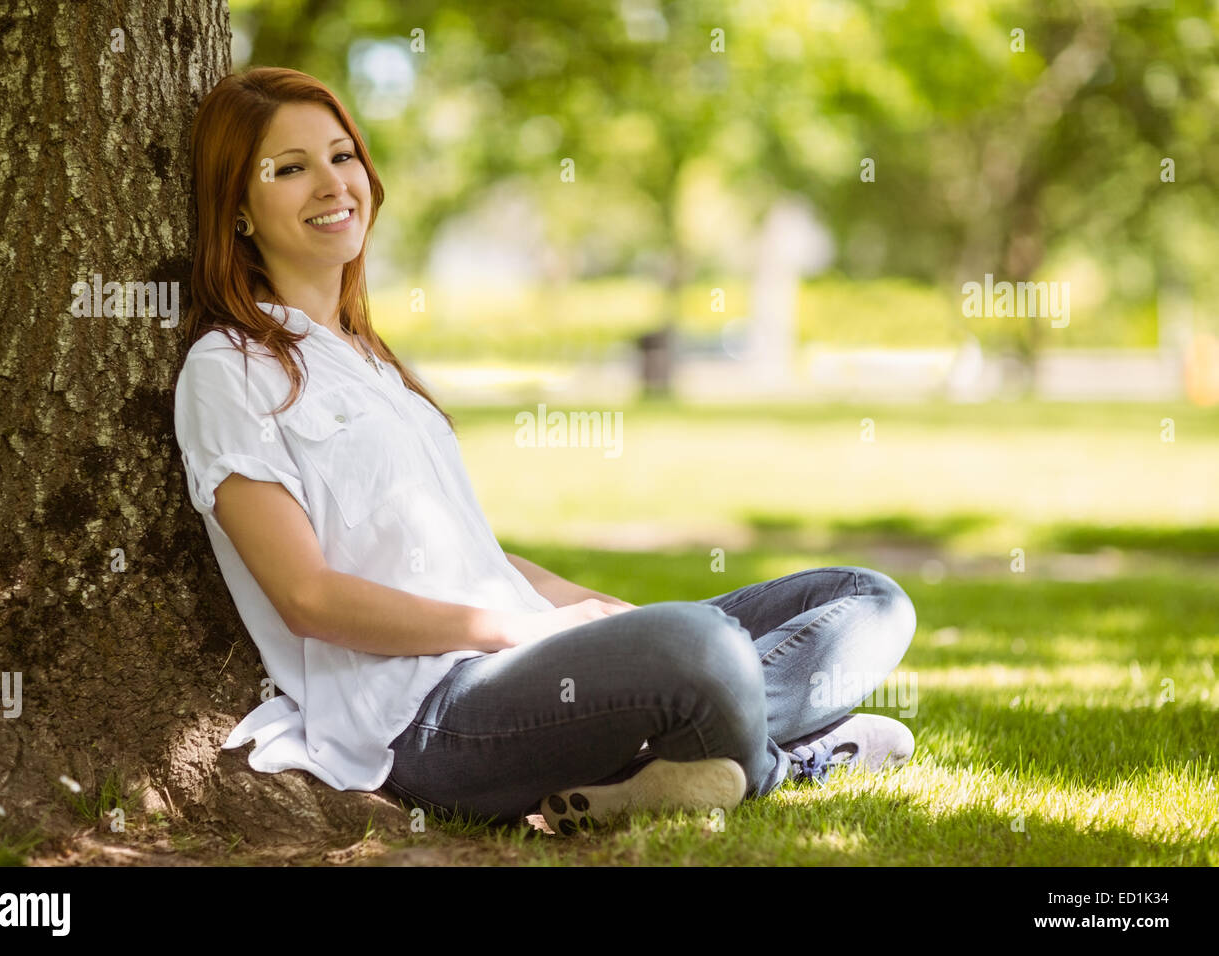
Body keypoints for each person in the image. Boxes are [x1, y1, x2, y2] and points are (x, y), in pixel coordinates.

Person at [173, 66, 919, 837]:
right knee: (703, 651)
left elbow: (476, 555)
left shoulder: (373, 361)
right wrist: (520, 632)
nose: (331, 184)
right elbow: (308, 598)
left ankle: (672, 763)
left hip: (521, 655)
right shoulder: (230, 369)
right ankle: (785, 760)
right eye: (290, 170)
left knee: (869, 602)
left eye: (341, 156)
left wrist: (604, 618)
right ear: (238, 212)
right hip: (429, 717)